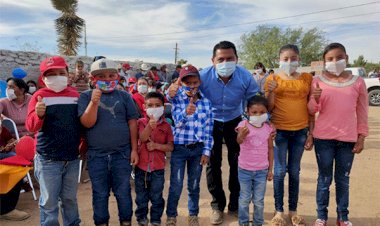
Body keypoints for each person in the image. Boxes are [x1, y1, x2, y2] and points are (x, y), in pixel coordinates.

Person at [198, 40, 259, 225]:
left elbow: (254, 101)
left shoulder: (245, 76)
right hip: (211, 122)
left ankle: (235, 204)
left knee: (238, 162)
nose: (225, 63)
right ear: (213, 60)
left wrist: (258, 125)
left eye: (230, 58)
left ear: (236, 59)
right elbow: (187, 93)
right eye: (221, 59)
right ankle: (217, 205)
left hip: (235, 121)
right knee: (212, 164)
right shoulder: (203, 77)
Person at [308, 43, 368, 226]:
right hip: (323, 138)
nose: (335, 61)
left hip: (348, 139)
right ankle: (321, 216)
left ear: (347, 58)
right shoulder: (317, 81)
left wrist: (361, 136)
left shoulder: (358, 81)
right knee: (324, 179)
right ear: (324, 61)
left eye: (339, 57)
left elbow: (362, 110)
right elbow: (311, 110)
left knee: (343, 180)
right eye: (330, 59)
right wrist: (315, 98)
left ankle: (343, 217)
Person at [78, 58, 139, 226]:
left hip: (122, 154)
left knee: (123, 192)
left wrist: (134, 149)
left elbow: (132, 122)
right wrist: (94, 102)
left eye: (111, 75)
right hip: (97, 156)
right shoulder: (85, 97)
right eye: (101, 76)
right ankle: (101, 222)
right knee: (99, 193)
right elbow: (87, 123)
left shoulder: (125, 96)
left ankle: (125, 222)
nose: (107, 79)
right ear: (92, 79)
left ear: (117, 77)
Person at [26, 56, 81, 226]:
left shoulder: (75, 96)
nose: (57, 77)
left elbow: (81, 123)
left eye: (61, 72)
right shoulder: (39, 96)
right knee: (49, 202)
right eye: (51, 74)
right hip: (48, 158)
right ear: (43, 78)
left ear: (68, 74)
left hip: (71, 158)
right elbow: (31, 127)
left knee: (70, 199)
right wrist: (38, 114)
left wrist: (82, 147)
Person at [264, 44, 314, 226]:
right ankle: (279, 211)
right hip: (280, 132)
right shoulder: (272, 78)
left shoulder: (307, 78)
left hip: (301, 131)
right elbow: (269, 108)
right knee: (279, 172)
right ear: (279, 60)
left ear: (299, 59)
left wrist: (311, 133)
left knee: (294, 171)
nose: (289, 62)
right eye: (285, 59)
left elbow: (311, 108)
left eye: (293, 58)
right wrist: (270, 91)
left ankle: (293, 211)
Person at [166, 65, 213, 226]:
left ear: (199, 82)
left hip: (198, 148)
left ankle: (193, 214)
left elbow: (208, 128)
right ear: (182, 82)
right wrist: (186, 112)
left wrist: (206, 150)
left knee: (194, 184)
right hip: (179, 148)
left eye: (195, 82)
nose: (192, 86)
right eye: (188, 83)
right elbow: (177, 124)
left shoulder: (206, 102)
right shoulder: (176, 98)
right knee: (176, 184)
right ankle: (171, 216)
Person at [135, 92, 174, 226]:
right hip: (142, 168)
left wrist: (156, 146)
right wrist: (149, 127)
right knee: (141, 197)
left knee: (157, 197)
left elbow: (170, 147)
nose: (154, 107)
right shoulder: (140, 122)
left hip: (158, 169)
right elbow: (142, 138)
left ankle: (156, 219)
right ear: (144, 107)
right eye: (150, 105)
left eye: (158, 105)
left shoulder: (167, 126)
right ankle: (142, 219)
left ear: (163, 107)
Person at [236, 95, 274, 226]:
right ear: (248, 112)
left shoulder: (268, 129)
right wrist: (241, 135)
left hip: (261, 171)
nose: (258, 115)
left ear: (267, 113)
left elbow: (270, 149)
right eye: (254, 112)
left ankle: (258, 223)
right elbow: (239, 141)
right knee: (244, 199)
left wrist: (270, 169)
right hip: (244, 169)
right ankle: (243, 222)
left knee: (259, 200)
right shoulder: (243, 125)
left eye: (262, 112)